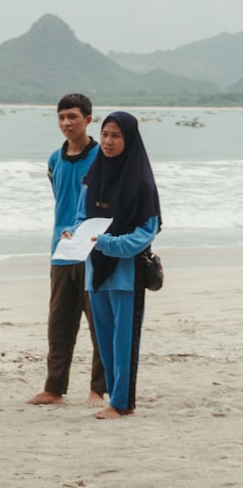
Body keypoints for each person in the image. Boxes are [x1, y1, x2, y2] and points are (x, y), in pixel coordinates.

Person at [78, 111, 161, 420]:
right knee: (105, 340)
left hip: (127, 275)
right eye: (104, 135)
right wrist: (72, 234)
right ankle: (116, 398)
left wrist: (106, 243)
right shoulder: (94, 175)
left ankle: (123, 403)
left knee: (124, 341)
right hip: (95, 272)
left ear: (129, 139)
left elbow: (145, 233)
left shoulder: (141, 183)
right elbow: (81, 217)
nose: (107, 141)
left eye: (116, 136)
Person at [29, 93, 107, 407]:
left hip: (94, 250)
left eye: (73, 117)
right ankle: (54, 388)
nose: (66, 123)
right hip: (60, 251)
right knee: (59, 321)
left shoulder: (103, 158)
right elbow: (61, 199)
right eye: (61, 117)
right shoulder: (53, 159)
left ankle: (98, 390)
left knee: (98, 322)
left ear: (88, 119)